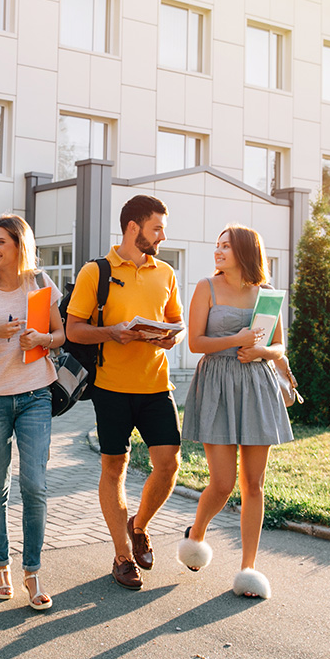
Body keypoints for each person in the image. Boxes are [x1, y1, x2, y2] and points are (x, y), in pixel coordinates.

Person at [65, 194, 185, 591]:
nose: (162, 236)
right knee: (114, 467)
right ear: (134, 227)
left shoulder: (165, 272)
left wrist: (169, 337)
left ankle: (139, 526)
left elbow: (175, 321)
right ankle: (122, 555)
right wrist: (112, 333)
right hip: (111, 388)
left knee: (168, 464)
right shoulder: (95, 272)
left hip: (156, 385)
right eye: (156, 228)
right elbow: (73, 330)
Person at [176, 224, 293, 600]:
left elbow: (279, 346)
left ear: (244, 252)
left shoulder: (266, 294)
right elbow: (196, 343)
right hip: (217, 385)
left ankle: (248, 568)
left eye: (226, 246)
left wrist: (261, 351)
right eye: (217, 245)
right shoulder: (205, 287)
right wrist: (238, 339)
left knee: (254, 484)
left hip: (257, 386)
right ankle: (196, 534)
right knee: (223, 483)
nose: (218, 251)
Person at [0, 214, 66, 611]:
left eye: (0, 242)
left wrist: (42, 338)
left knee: (34, 485)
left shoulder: (40, 283)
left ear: (19, 246)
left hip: (35, 394)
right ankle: (1, 565)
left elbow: (61, 335)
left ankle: (32, 571)